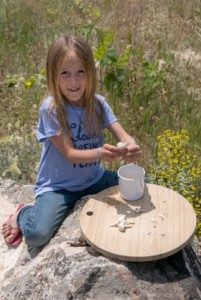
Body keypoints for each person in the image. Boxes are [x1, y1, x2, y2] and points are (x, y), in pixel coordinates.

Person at [2, 35, 142, 252]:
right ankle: (22, 214)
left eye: (80, 72)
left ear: (90, 73)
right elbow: (69, 153)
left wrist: (131, 146)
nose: (73, 81)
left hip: (94, 178)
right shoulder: (51, 109)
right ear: (53, 76)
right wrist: (99, 154)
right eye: (65, 73)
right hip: (59, 187)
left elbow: (123, 135)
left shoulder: (98, 104)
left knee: (143, 187)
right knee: (38, 234)